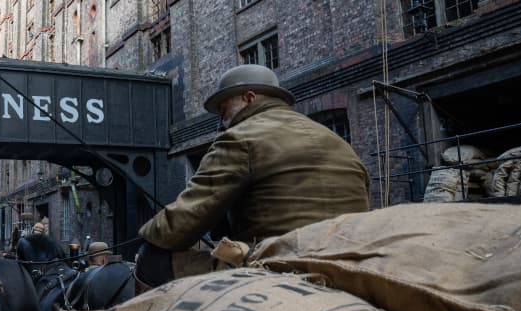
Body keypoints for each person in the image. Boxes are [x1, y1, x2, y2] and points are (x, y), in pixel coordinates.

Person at [135, 64, 370, 292]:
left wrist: (148, 232)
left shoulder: (240, 138)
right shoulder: (336, 141)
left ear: (249, 98)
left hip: (281, 266)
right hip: (349, 264)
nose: (221, 124)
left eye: (224, 112)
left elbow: (178, 226)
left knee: (151, 257)